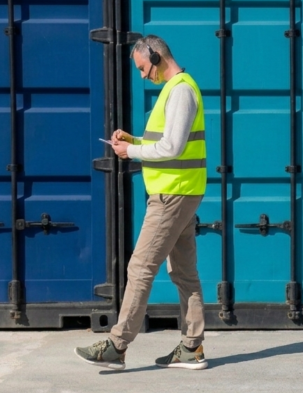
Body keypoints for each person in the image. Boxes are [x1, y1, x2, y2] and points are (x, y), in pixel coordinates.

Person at [75, 35, 208, 371]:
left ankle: (117, 346)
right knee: (184, 273)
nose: (143, 75)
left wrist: (131, 151)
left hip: (172, 195)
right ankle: (192, 347)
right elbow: (166, 142)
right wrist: (132, 140)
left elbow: (172, 147)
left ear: (156, 56)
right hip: (182, 191)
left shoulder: (180, 90)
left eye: (143, 67)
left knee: (140, 268)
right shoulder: (177, 88)